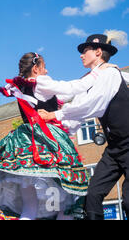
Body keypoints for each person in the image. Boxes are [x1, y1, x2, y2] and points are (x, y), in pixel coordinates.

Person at [0, 52, 92, 220]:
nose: (47, 71)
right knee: (64, 206)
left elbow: (62, 96)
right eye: (43, 67)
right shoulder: (42, 82)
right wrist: (97, 73)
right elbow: (70, 89)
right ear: (35, 68)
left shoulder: (23, 86)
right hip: (46, 142)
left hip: (24, 142)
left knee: (30, 208)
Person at [38, 32, 129, 220]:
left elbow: (89, 104)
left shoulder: (110, 74)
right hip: (114, 148)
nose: (81, 55)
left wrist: (55, 114)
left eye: (85, 50)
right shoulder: (92, 78)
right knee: (92, 196)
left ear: (98, 52)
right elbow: (76, 100)